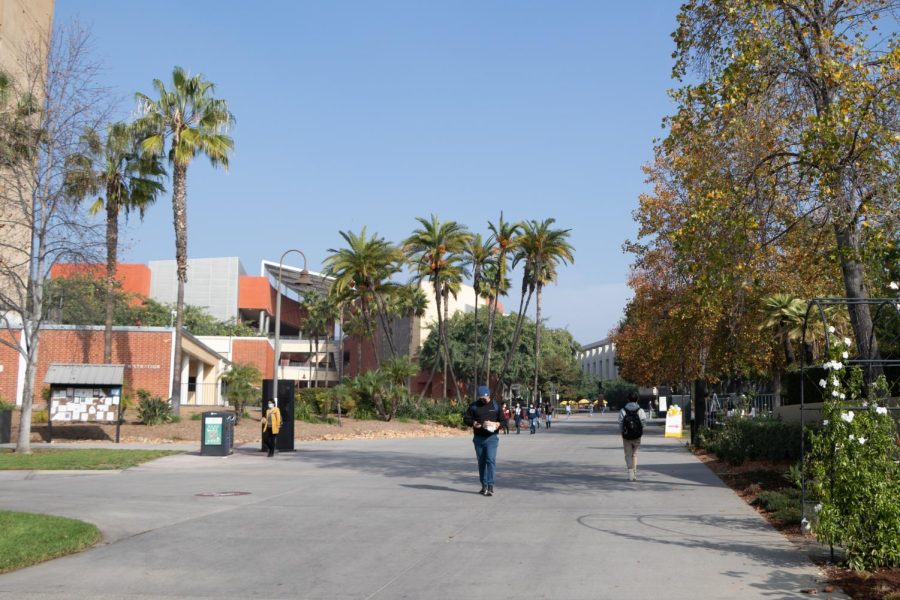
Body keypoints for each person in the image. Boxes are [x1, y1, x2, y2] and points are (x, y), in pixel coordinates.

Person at [463, 386, 502, 496]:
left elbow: (503, 421)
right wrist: (473, 423)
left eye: (485, 397)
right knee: (481, 462)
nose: (483, 400)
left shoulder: (495, 406)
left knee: (490, 459)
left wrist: (497, 424)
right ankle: (483, 486)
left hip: (492, 438)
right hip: (479, 438)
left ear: (488, 395)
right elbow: (466, 419)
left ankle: (490, 486)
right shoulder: (474, 406)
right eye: (481, 398)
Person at [618, 391, 647, 481]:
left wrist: (623, 431)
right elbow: (643, 422)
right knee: (634, 454)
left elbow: (620, 423)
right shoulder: (640, 410)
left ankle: (630, 474)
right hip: (637, 436)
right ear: (637, 400)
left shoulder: (623, 410)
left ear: (628, 399)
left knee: (628, 455)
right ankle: (634, 473)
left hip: (626, 436)